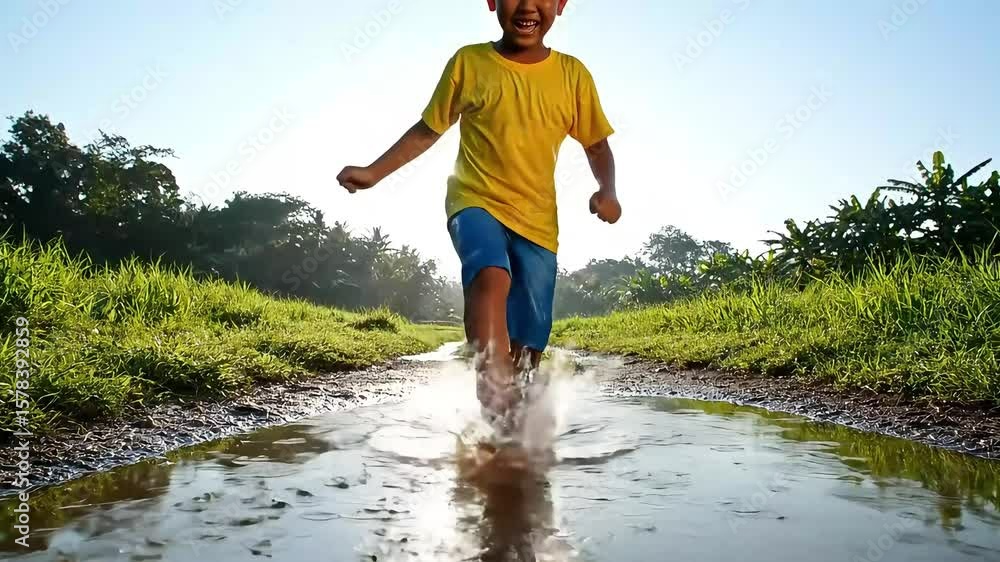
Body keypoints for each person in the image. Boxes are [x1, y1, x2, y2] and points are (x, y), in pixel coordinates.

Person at [337, 0, 620, 435]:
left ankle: (518, 427)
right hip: (474, 202)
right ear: (491, 1)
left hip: (538, 223)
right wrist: (374, 172)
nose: (527, 6)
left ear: (561, 4)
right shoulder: (470, 62)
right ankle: (492, 388)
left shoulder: (572, 75)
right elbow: (428, 128)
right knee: (490, 274)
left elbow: (597, 145)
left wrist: (608, 191)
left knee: (530, 340)